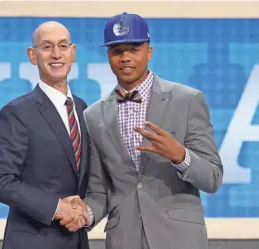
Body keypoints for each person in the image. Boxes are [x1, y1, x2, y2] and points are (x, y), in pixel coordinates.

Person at [62, 12, 224, 249]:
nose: (125, 57)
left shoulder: (187, 100)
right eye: (117, 51)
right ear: (108, 56)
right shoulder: (93, 116)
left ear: (149, 52)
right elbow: (100, 190)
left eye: (134, 49)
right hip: (124, 239)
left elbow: (213, 178)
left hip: (180, 239)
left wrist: (181, 156)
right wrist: (83, 213)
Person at [0, 21, 90, 249]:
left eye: (63, 46)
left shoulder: (83, 109)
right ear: (33, 55)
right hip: (32, 241)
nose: (56, 54)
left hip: (77, 240)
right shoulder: (17, 112)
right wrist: (56, 207)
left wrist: (86, 211)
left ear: (73, 53)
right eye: (47, 46)